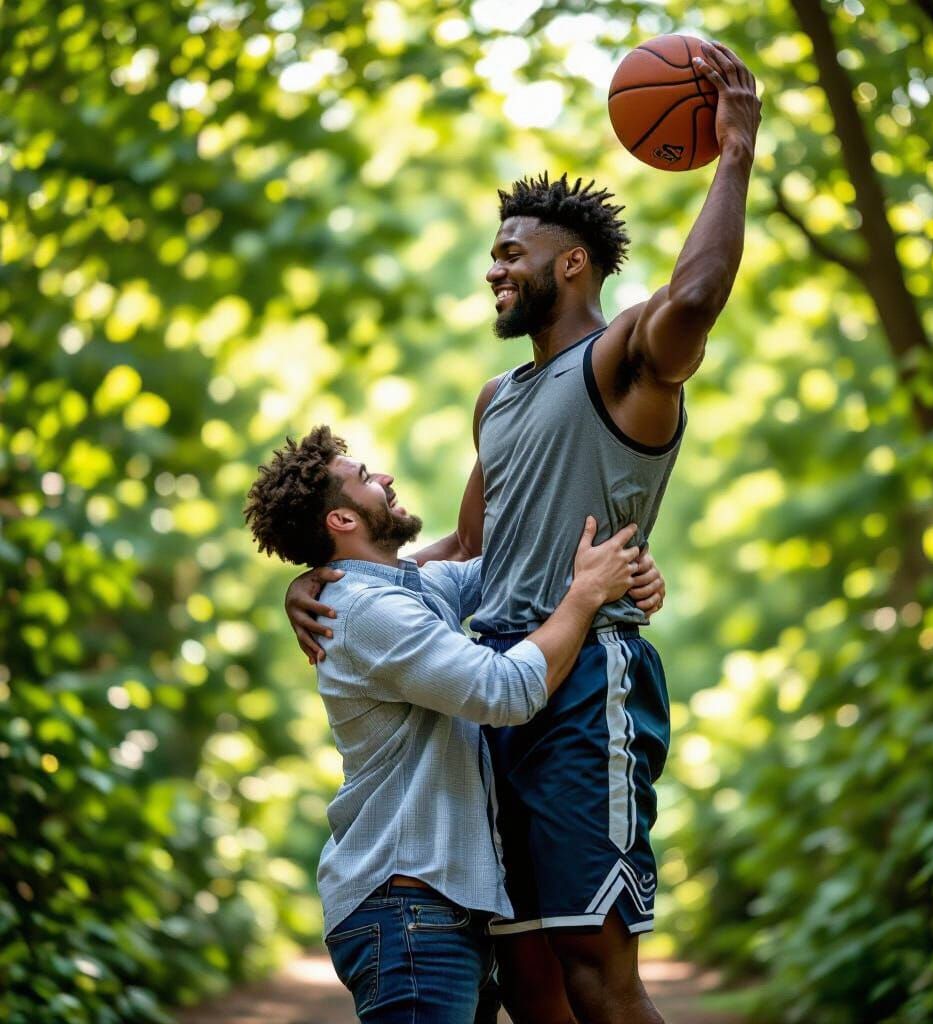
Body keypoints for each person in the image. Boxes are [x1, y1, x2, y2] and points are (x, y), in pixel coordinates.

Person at [286, 40, 761, 1024]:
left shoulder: (625, 360)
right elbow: (464, 556)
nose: (492, 266)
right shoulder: (495, 400)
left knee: (597, 976)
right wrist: (328, 577)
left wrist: (735, 152)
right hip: (495, 700)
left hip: (585, 680)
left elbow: (699, 297)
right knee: (529, 986)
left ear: (571, 263)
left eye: (511, 250)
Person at [243, 425, 648, 1024]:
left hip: (437, 912)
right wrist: (587, 595)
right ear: (343, 522)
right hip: (408, 913)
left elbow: (493, 564)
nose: (382, 478)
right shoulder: (368, 612)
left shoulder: (406, 591)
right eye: (363, 478)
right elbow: (504, 690)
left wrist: (632, 573)